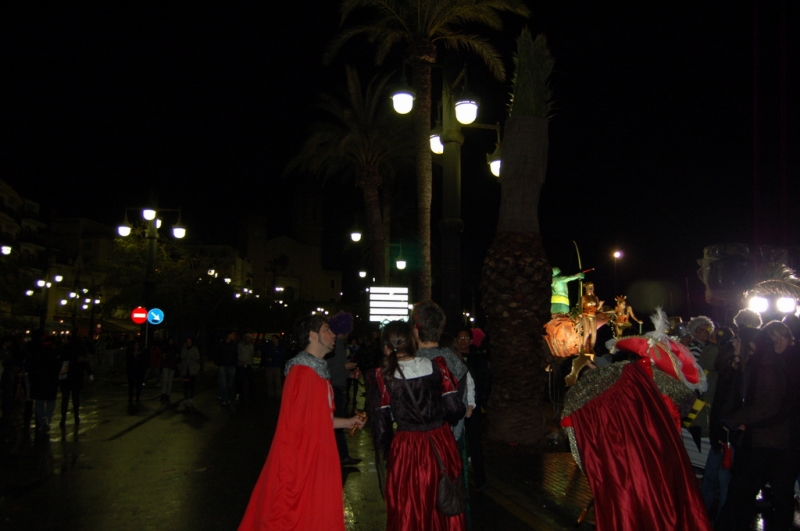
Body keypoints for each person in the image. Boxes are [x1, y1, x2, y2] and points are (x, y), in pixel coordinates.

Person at [238, 315, 365, 530]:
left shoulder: (316, 371)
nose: (333, 334)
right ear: (313, 335)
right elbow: (297, 428)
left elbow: (319, 418)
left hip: (317, 456)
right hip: (305, 461)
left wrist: (347, 422)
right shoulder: (302, 373)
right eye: (327, 329)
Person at [367, 320, 467, 531]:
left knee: (410, 503)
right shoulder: (437, 366)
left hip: (407, 447)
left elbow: (381, 427)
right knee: (443, 498)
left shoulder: (382, 376)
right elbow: (455, 409)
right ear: (412, 341)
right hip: (439, 442)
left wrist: (388, 454)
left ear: (387, 345)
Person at [716, 323, 796, 531]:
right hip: (765, 440)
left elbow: (775, 406)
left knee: (772, 498)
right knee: (748, 496)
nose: (778, 342)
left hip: (777, 442)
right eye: (773, 337)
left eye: (782, 337)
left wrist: (739, 420)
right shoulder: (762, 363)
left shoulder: (777, 364)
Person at [326, 311, 360, 466]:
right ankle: (342, 455)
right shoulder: (337, 346)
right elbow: (332, 368)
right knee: (337, 423)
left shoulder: (337, 345)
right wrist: (346, 367)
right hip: (335, 387)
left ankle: (340, 455)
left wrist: (349, 374)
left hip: (335, 385)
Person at [457, 328, 489, 491]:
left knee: (475, 444)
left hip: (473, 408)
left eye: (465, 338)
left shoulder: (478, 359)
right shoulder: (453, 359)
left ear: (471, 341)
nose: (463, 340)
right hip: (456, 408)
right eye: (460, 337)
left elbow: (485, 379)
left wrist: (481, 399)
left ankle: (480, 480)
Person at [27, 331, 61, 433]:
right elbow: (58, 367)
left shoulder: (36, 352)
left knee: (39, 403)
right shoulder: (54, 352)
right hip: (51, 381)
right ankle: (47, 418)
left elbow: (31, 367)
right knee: (51, 402)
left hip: (38, 381)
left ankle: (42, 422)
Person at [58, 336, 93, 427]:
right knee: (75, 397)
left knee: (65, 398)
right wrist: (90, 374)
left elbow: (61, 361)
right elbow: (86, 363)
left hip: (66, 376)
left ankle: (63, 418)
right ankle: (76, 416)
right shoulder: (80, 351)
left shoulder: (65, 350)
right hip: (77, 376)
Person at [215, 330, 238, 406]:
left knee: (230, 383)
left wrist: (235, 362)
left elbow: (235, 355)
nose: (234, 336)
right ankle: (224, 399)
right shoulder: (221, 344)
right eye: (233, 334)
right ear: (229, 335)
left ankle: (226, 397)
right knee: (223, 383)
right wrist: (218, 363)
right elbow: (217, 354)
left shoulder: (234, 345)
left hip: (231, 365)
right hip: (223, 365)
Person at [261, 334, 285, 400]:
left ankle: (278, 395)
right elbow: (265, 352)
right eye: (272, 339)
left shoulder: (280, 347)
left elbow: (281, 357)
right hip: (270, 366)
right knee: (270, 381)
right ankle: (270, 394)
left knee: (277, 382)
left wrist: (273, 359)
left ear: (277, 339)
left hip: (276, 366)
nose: (273, 340)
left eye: (274, 338)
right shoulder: (270, 346)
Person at [126, 339, 147, 412]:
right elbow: (128, 362)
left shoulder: (141, 353)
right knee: (131, 385)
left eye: (137, 345)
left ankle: (137, 397)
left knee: (138, 385)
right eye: (135, 345)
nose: (136, 346)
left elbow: (143, 362)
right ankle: (131, 398)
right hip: (132, 371)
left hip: (139, 372)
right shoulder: (130, 353)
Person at [180, 337, 200, 408]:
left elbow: (197, 358)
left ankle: (191, 399)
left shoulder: (195, 349)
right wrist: (185, 349)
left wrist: (192, 357)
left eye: (189, 341)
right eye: (187, 341)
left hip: (192, 370)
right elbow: (182, 356)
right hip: (185, 371)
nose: (188, 342)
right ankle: (186, 399)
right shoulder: (184, 349)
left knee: (191, 385)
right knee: (185, 385)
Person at [160, 338, 179, 404]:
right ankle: (163, 394)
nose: (171, 342)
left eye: (172, 341)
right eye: (170, 341)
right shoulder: (166, 348)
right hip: (167, 365)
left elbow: (177, 356)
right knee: (165, 380)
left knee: (169, 381)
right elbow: (163, 356)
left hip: (172, 365)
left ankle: (167, 395)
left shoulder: (175, 348)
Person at [236, 333, 255, 400]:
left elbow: (251, 355)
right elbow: (237, 354)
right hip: (240, 365)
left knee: (251, 380)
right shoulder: (240, 345)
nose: (248, 339)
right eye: (247, 338)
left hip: (248, 364)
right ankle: (240, 394)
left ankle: (251, 394)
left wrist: (250, 363)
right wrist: (241, 361)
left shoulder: (251, 346)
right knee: (240, 380)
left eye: (249, 338)